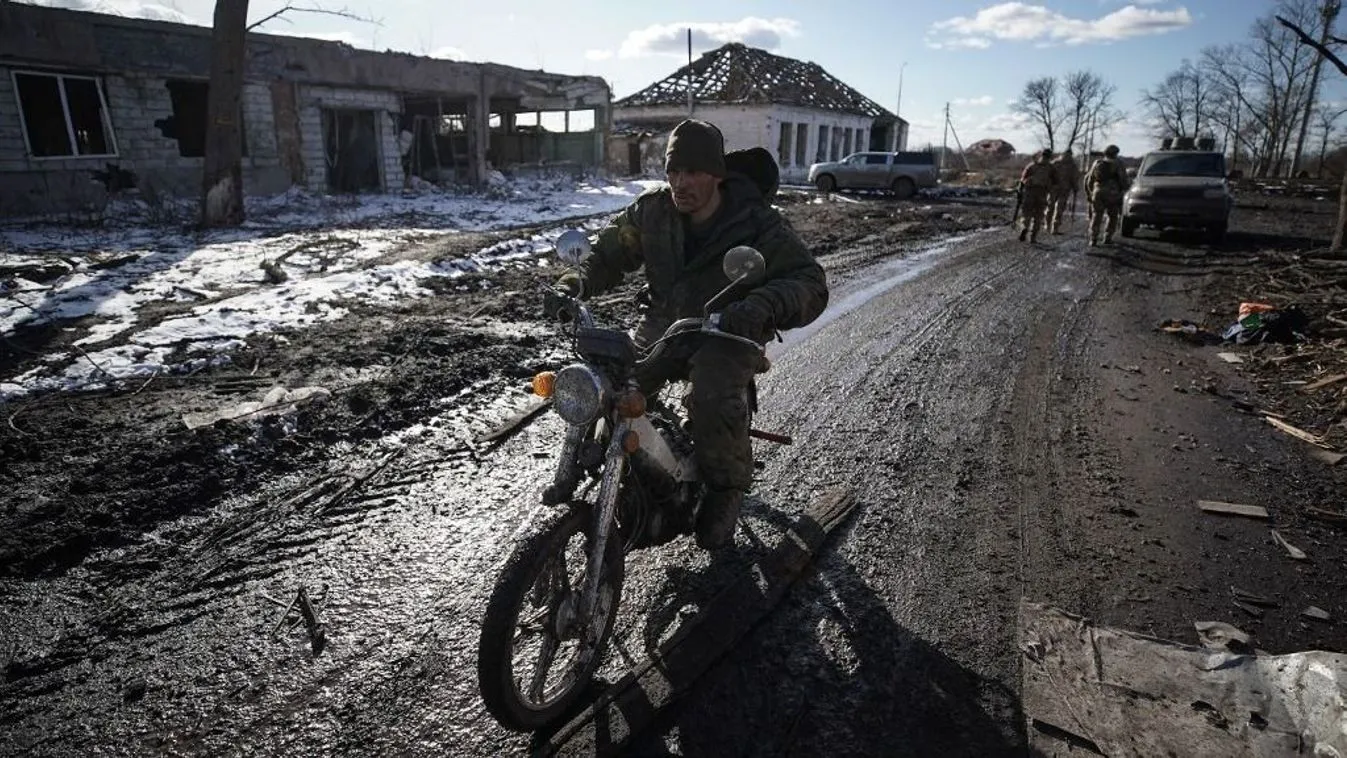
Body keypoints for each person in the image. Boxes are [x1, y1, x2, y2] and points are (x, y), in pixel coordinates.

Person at [543, 119, 829, 549]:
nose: (681, 182)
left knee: (712, 395)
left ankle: (726, 489)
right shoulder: (652, 211)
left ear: (717, 174)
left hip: (728, 329)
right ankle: (624, 470)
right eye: (673, 171)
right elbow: (608, 254)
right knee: (612, 386)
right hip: (666, 323)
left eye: (693, 171)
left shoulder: (756, 221)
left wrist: (760, 305)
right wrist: (574, 283)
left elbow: (809, 282)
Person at [1085, 144, 1130, 246]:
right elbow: (1123, 180)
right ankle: (1107, 237)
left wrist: (1090, 193)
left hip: (1098, 192)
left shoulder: (1097, 163)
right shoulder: (1119, 164)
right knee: (1112, 216)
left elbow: (1089, 180)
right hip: (1113, 194)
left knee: (1097, 215)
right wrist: (1124, 190)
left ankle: (1093, 238)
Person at [1018, 148, 1058, 243]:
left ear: (1041, 155)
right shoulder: (1051, 168)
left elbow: (1022, 179)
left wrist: (1020, 192)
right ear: (1050, 157)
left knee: (1026, 213)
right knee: (1038, 216)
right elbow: (1056, 182)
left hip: (1029, 192)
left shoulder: (1032, 165)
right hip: (1042, 193)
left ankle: (1025, 226)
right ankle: (1033, 237)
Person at [1047, 151, 1079, 235]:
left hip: (1054, 188)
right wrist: (1075, 188)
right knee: (1059, 208)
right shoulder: (1072, 165)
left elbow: (1048, 174)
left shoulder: (1055, 163)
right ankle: (1054, 227)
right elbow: (1074, 178)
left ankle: (1047, 224)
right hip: (1064, 189)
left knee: (1050, 206)